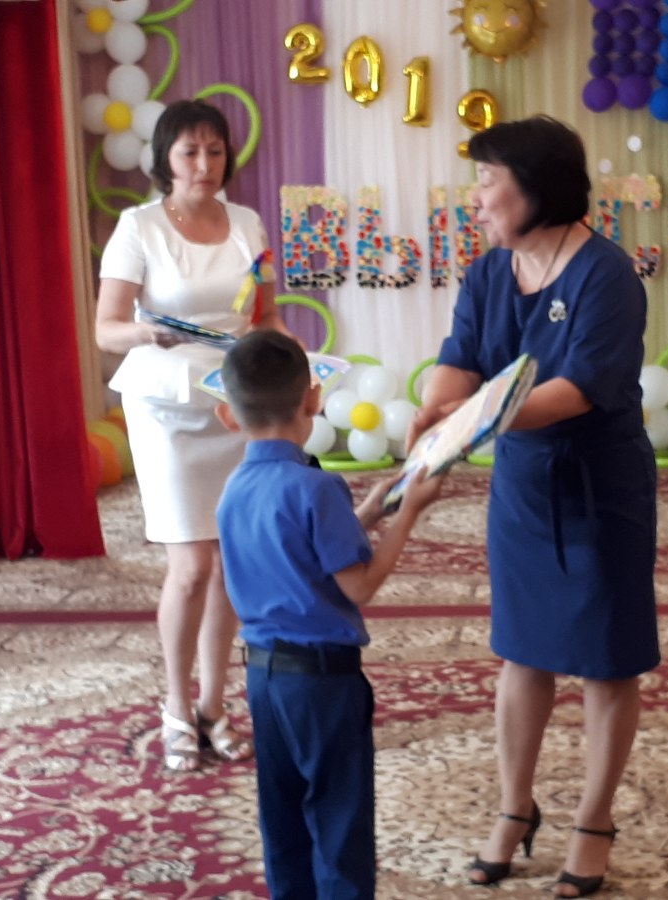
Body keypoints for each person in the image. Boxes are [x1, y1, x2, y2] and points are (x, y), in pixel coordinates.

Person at [408, 116, 658, 899]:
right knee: (523, 651)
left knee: (607, 660)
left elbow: (575, 390)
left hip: (599, 486)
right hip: (521, 486)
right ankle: (515, 809)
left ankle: (594, 821)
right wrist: (436, 409)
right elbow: (459, 361)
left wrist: (473, 419)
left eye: (489, 181)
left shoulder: (607, 275)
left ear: (536, 187)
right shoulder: (490, 273)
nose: (477, 198)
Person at [214, 330, 445, 900]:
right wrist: (407, 516)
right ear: (313, 399)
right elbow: (359, 584)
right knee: (340, 819)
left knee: (283, 815)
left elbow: (296, 550)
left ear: (228, 414)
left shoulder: (233, 489)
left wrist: (365, 512)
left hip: (263, 677)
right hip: (322, 684)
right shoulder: (316, 488)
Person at [94, 99, 286, 770]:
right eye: (189, 152)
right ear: (165, 160)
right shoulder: (139, 226)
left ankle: (212, 704)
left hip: (236, 402)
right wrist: (150, 332)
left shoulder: (247, 223)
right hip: (166, 405)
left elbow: (265, 316)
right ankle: (176, 706)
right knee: (193, 565)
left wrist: (295, 359)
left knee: (232, 563)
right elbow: (106, 328)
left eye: (214, 151)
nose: (204, 164)